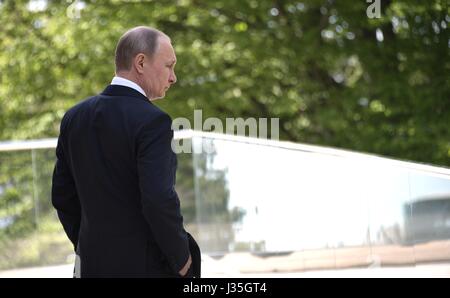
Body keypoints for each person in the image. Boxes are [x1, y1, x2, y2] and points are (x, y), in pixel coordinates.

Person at [51, 26, 200, 278]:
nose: (173, 77)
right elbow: (158, 199)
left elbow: (63, 196)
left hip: (89, 266)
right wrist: (182, 259)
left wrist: (87, 245)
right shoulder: (154, 122)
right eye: (169, 66)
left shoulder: (74, 117)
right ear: (140, 62)